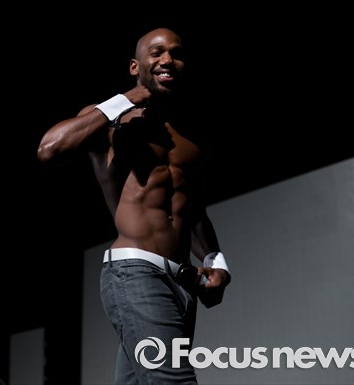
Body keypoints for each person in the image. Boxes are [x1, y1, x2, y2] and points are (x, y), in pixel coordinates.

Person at [36, 27, 231, 384]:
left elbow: (193, 210)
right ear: (134, 66)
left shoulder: (193, 135)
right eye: (156, 53)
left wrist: (216, 261)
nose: (167, 59)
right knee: (173, 380)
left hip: (183, 281)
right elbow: (49, 150)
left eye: (176, 53)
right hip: (135, 272)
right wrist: (125, 100)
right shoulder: (112, 122)